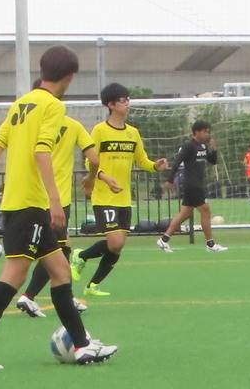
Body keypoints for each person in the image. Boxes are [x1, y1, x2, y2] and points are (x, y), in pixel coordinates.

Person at [0, 44, 112, 370]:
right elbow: (43, 152)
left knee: (60, 271)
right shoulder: (53, 106)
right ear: (70, 77)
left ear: (42, 71)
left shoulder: (21, 104)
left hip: (18, 203)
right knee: (15, 274)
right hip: (30, 204)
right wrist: (55, 203)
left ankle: (82, 345)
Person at [75, 83, 171, 296]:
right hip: (104, 195)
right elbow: (89, 161)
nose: (128, 103)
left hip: (124, 197)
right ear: (111, 105)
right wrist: (105, 178)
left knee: (117, 246)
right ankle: (80, 256)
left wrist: (156, 165)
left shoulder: (133, 133)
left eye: (128, 99)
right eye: (123, 100)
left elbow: (142, 160)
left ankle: (93, 285)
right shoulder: (100, 130)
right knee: (115, 241)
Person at [5, 99, 92, 318]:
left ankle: (65, 296)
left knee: (62, 248)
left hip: (35, 196)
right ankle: (30, 295)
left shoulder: (31, 128)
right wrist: (94, 176)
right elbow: (93, 157)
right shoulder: (73, 126)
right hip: (56, 200)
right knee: (52, 250)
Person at [159, 120, 228, 254]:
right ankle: (211, 244)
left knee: (185, 214)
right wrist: (169, 180)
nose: (207, 134)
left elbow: (212, 161)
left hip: (197, 183)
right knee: (206, 211)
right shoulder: (189, 145)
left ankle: (163, 240)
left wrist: (213, 149)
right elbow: (177, 162)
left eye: (208, 131)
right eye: (204, 131)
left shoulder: (202, 145)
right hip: (193, 184)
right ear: (196, 131)